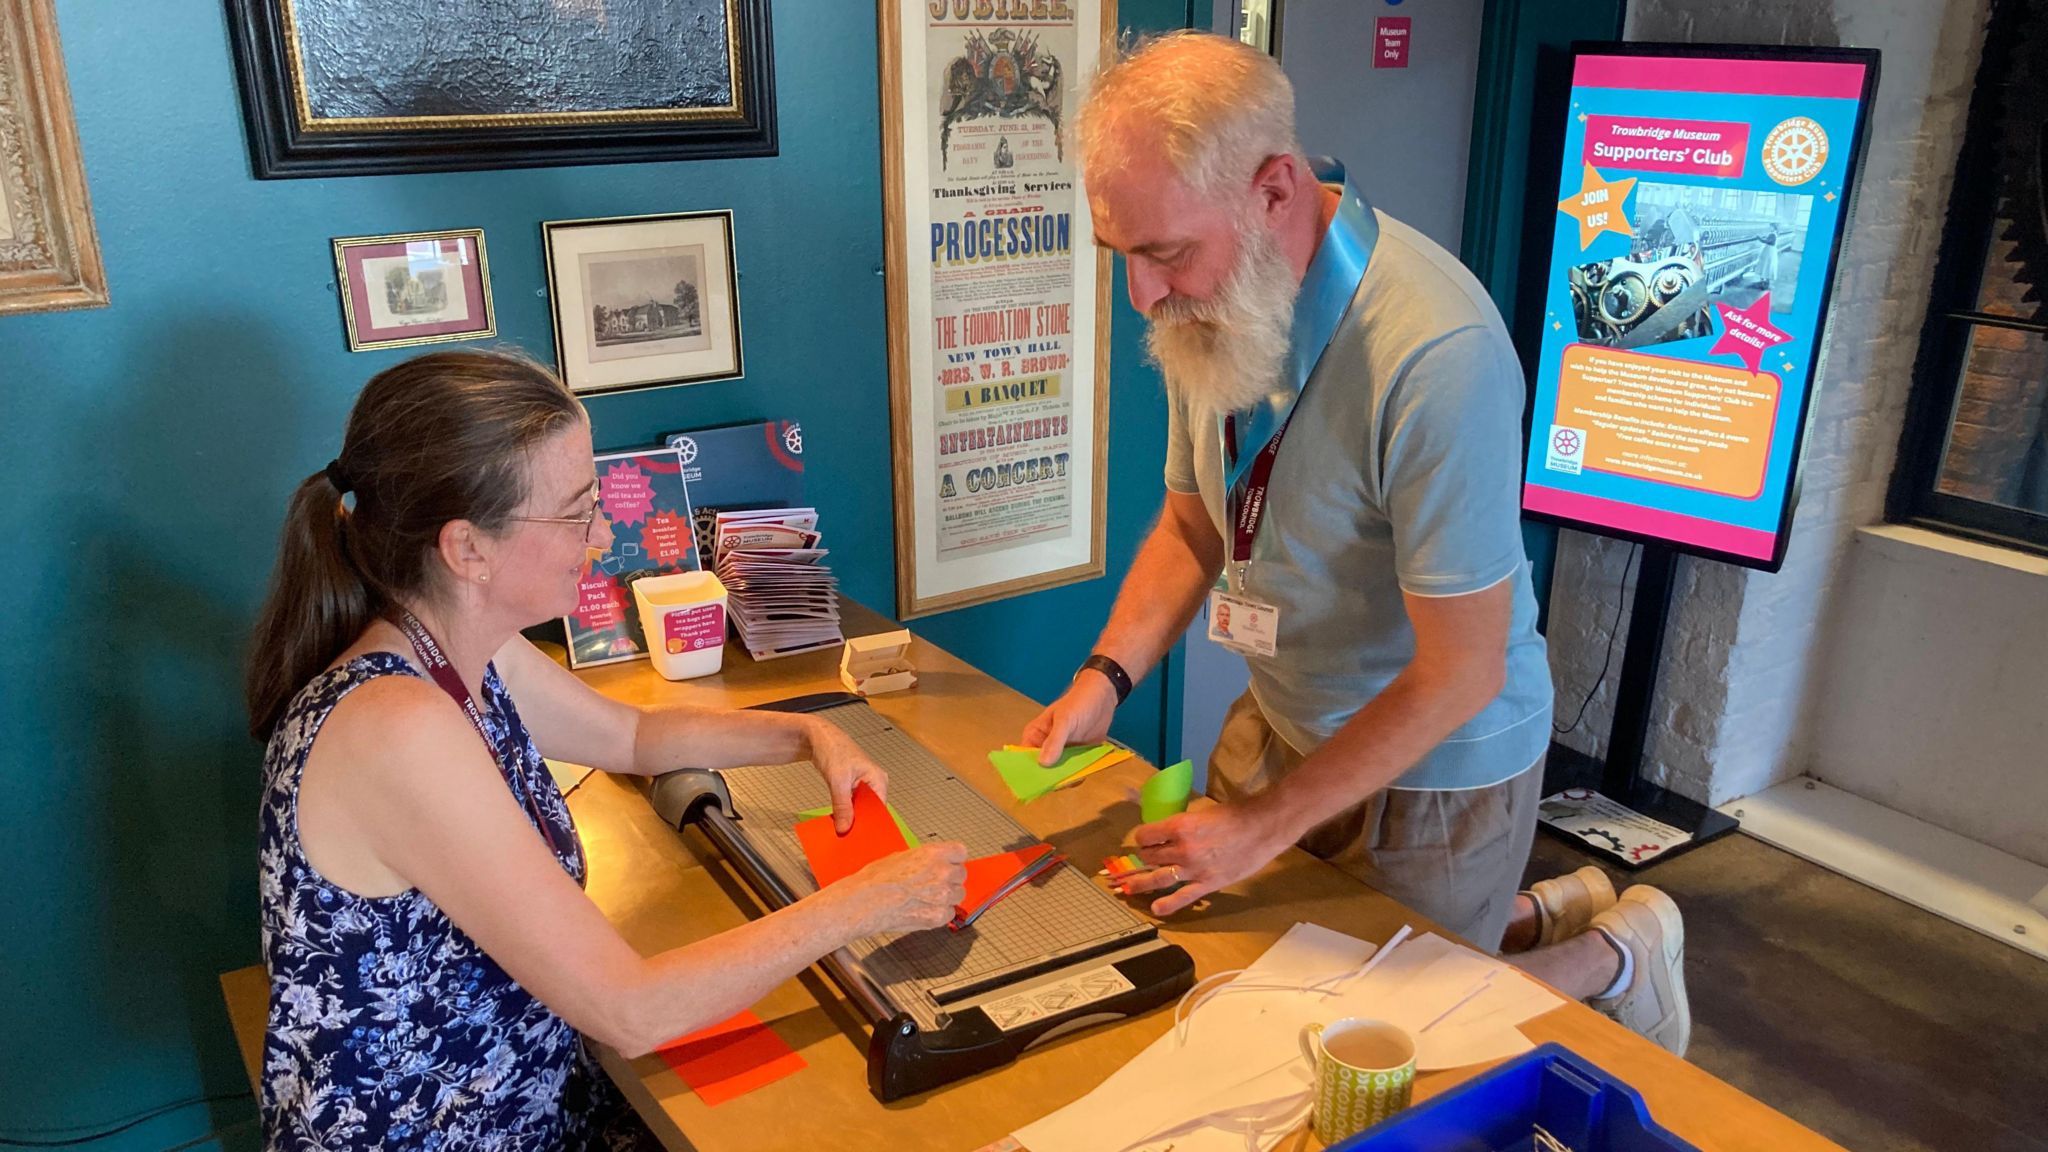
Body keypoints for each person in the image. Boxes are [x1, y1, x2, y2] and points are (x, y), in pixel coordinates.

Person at [1022, 33, 1689, 1055]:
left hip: (1435, 762)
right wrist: (1103, 679)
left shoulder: (1436, 352)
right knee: (1263, 984)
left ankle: (1620, 950)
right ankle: (1522, 915)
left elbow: (1458, 671)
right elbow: (1195, 523)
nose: (1140, 296)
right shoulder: (1214, 306)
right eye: (1121, 255)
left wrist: (1257, 825)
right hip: (1287, 711)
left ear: (1274, 190)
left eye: (1161, 253)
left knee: (1387, 1038)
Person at [246, 349, 968, 1147]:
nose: (600, 535)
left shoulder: (458, 645)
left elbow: (629, 734)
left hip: (528, 1094)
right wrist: (863, 902)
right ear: (467, 550)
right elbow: (632, 1009)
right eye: (574, 511)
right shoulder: (398, 727)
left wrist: (806, 734)